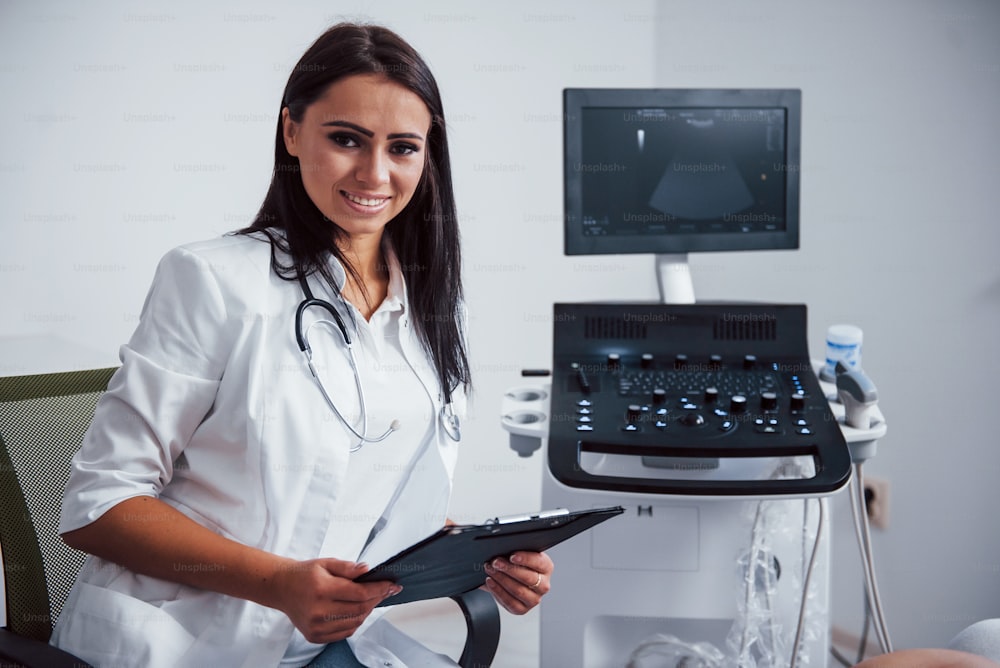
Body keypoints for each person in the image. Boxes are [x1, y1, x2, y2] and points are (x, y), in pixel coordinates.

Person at [50, 22, 553, 668]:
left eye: (402, 148)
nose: (375, 173)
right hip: (183, 638)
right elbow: (96, 506)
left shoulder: (428, 305)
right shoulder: (212, 281)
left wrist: (480, 561)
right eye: (346, 139)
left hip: (327, 644)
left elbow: (373, 505)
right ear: (291, 132)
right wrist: (277, 584)